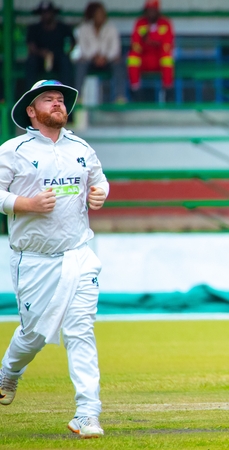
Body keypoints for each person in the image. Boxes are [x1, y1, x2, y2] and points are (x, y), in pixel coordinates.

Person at [0, 80, 109, 438]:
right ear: (31, 111)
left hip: (79, 254)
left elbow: (99, 180)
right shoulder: (13, 150)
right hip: (34, 260)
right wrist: (25, 204)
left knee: (80, 329)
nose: (58, 104)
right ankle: (8, 373)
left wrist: (99, 194)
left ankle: (87, 413)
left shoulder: (80, 146)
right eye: (49, 100)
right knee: (33, 334)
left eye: (61, 100)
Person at [73, 2, 126, 104]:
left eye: (102, 14)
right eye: (98, 14)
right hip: (90, 60)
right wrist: (95, 57)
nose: (100, 16)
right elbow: (83, 48)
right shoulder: (84, 29)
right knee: (80, 64)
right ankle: (78, 96)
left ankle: (120, 97)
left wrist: (104, 57)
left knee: (119, 64)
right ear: (92, 15)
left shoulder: (111, 29)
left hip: (108, 60)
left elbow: (115, 49)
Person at [127, 0, 174, 100]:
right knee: (132, 57)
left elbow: (167, 45)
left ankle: (168, 91)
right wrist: (152, 42)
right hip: (144, 59)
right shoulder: (140, 23)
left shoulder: (165, 23)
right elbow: (135, 45)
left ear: (158, 11)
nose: (150, 12)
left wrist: (149, 41)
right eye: (148, 10)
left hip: (159, 60)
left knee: (167, 57)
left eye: (153, 10)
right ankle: (136, 90)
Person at [25, 2, 74, 88]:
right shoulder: (34, 28)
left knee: (65, 62)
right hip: (40, 58)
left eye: (48, 12)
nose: (46, 15)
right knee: (31, 62)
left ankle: (66, 91)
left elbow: (72, 42)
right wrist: (42, 53)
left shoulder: (62, 27)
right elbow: (31, 46)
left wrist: (67, 53)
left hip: (58, 58)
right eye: (43, 12)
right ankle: (30, 92)